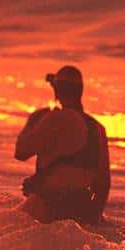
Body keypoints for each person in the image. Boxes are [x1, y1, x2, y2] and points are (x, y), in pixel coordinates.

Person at [15, 65, 111, 224]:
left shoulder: (53, 119)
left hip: (47, 204)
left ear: (57, 91)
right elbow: (103, 183)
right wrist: (93, 217)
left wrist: (33, 120)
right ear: (80, 91)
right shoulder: (98, 128)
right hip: (83, 205)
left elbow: (21, 152)